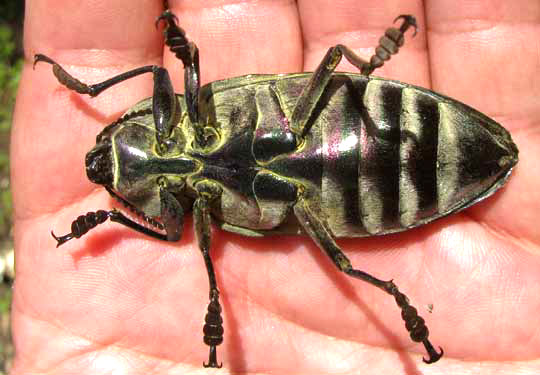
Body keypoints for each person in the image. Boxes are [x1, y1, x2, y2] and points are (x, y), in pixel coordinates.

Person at [10, 0, 540, 373]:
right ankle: (396, 298)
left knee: (332, 62)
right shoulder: (195, 204)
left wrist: (173, 57)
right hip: (345, 180)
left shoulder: (191, 126)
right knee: (340, 261)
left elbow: (164, 72)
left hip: (362, 126)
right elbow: (179, 233)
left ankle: (372, 67)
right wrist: (110, 217)